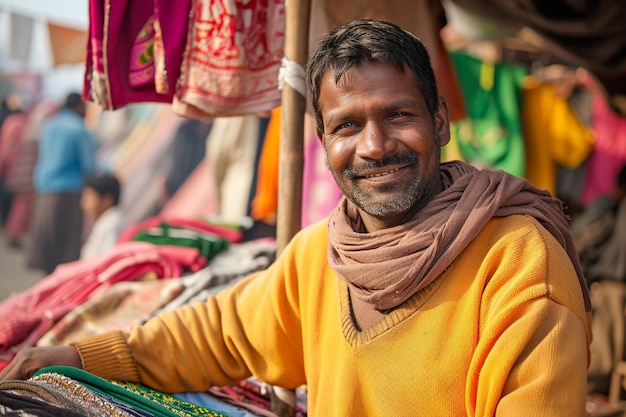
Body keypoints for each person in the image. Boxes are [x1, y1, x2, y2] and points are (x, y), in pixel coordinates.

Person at [0, 19, 592, 416]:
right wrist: (81, 357)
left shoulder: (516, 258)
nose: (374, 145)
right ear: (322, 140)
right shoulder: (319, 254)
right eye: (347, 125)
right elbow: (216, 333)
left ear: (439, 121)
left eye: (398, 114)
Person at [25, 92, 96, 274]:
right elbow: (88, 164)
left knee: (48, 239)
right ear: (78, 107)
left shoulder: (51, 124)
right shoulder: (78, 129)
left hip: (44, 186)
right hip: (68, 189)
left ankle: (49, 278)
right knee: (66, 243)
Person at [80, 172, 122, 259]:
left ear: (107, 200)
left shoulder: (112, 223)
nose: (83, 203)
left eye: (89, 197)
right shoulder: (104, 222)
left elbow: (107, 259)